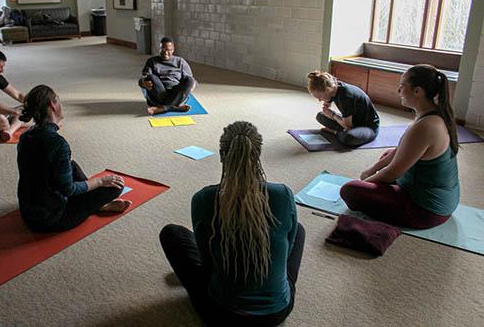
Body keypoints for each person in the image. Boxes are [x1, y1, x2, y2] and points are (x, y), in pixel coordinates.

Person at [160, 121, 305, 326]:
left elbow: (207, 261)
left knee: (172, 233)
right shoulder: (282, 193)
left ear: (221, 156)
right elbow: (288, 250)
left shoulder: (204, 198)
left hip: (222, 314)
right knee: (297, 229)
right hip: (277, 312)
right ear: (258, 155)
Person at [340, 64, 459, 229]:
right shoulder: (433, 113)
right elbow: (400, 149)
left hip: (427, 211)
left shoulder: (426, 126)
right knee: (388, 154)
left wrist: (367, 182)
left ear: (418, 91)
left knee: (350, 190)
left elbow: (392, 172)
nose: (398, 91)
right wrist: (373, 168)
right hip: (441, 199)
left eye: (402, 87)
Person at [17, 85, 131, 232]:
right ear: (53, 105)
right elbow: (68, 190)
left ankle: (96, 204)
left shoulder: (26, 135)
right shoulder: (58, 143)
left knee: (72, 166)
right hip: (51, 219)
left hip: (28, 211)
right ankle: (98, 206)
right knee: (116, 186)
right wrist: (100, 181)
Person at [308, 70, 380, 147]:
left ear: (327, 90)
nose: (319, 100)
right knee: (320, 116)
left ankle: (335, 132)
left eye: (320, 97)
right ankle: (340, 132)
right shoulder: (334, 87)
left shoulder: (345, 96)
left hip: (367, 127)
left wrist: (333, 115)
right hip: (352, 121)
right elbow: (327, 105)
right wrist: (327, 104)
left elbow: (348, 126)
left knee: (348, 138)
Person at [139, 37, 197, 115]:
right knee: (151, 77)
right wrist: (143, 82)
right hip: (158, 94)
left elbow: (191, 81)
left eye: (169, 50)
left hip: (176, 93)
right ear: (159, 49)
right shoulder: (152, 61)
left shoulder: (180, 61)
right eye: (163, 50)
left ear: (173, 50)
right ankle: (174, 107)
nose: (166, 53)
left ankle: (163, 108)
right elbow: (143, 78)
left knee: (190, 80)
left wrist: (190, 87)